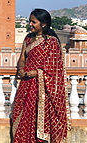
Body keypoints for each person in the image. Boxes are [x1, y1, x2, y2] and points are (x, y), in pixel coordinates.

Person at [12, 9, 70, 143]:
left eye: (33, 22)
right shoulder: (28, 38)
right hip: (26, 85)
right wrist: (21, 68)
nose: (30, 24)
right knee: (21, 116)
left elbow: (54, 69)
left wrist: (34, 73)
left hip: (43, 89)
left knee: (39, 120)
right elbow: (22, 58)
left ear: (43, 24)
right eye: (29, 21)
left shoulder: (51, 42)